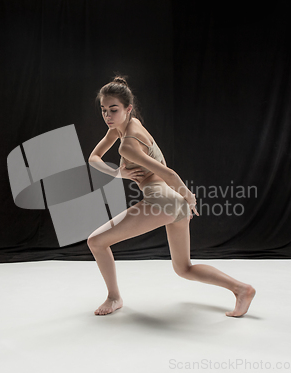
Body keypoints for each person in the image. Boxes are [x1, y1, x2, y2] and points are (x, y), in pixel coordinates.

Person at [87, 76, 256, 317]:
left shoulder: (127, 144)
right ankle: (242, 289)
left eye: (113, 109)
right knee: (184, 268)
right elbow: (93, 158)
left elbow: (166, 172)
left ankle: (114, 297)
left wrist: (188, 196)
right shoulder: (127, 126)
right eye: (104, 110)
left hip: (163, 201)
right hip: (174, 203)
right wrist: (117, 172)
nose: (107, 116)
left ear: (128, 108)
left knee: (96, 241)